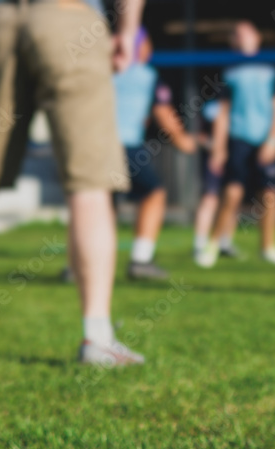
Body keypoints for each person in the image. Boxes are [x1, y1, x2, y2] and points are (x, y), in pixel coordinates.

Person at [0, 0, 147, 366]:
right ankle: (97, 337)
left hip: (1, 20)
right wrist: (128, 30)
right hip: (68, 18)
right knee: (90, 187)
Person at [195, 21, 275, 269]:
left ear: (257, 37)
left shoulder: (270, 68)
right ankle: (214, 244)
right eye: (235, 34)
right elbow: (223, 113)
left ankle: (269, 247)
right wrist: (218, 148)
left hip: (265, 139)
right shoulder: (229, 70)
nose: (240, 37)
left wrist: (273, 140)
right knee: (232, 193)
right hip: (239, 138)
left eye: (245, 32)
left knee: (270, 193)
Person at [99, 28, 196, 280]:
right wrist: (183, 140)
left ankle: (83, 265)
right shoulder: (146, 75)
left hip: (97, 146)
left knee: (101, 203)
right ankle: (141, 260)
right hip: (126, 145)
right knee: (154, 193)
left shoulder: (99, 72)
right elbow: (163, 114)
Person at [192, 99, 227, 260]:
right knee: (210, 199)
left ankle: (224, 242)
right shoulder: (213, 107)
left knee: (230, 197)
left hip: (231, 157)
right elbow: (201, 135)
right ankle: (199, 244)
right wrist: (216, 150)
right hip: (214, 159)